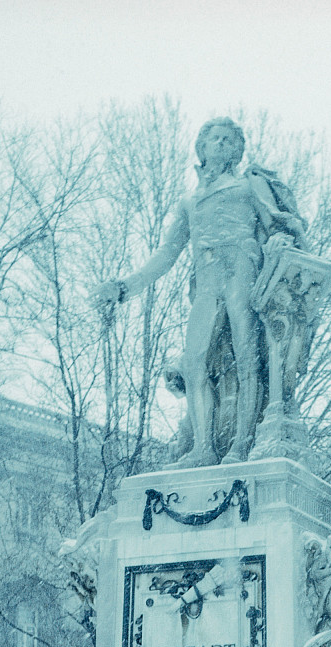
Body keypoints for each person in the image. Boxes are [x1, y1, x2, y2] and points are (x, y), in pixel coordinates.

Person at [96, 117, 307, 465]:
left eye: (228, 140)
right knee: (195, 363)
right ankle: (203, 448)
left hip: (242, 270)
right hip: (207, 281)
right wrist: (123, 288)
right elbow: (165, 254)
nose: (221, 144)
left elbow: (275, 225)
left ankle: (241, 444)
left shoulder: (246, 186)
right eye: (215, 139)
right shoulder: (190, 201)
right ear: (202, 146)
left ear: (236, 150)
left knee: (246, 357)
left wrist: (282, 238)